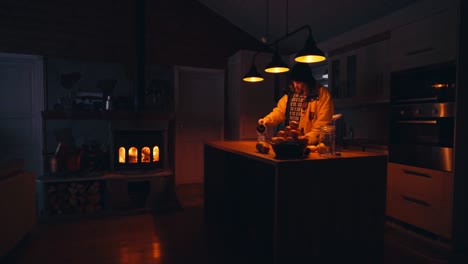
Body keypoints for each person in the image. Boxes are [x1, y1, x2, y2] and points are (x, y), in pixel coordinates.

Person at [258, 62, 335, 145]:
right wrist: (266, 120)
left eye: (299, 82)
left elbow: (323, 123)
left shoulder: (322, 94)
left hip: (312, 145)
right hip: (290, 142)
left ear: (308, 82)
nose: (295, 85)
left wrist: (306, 140)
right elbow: (279, 112)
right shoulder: (290, 94)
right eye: (294, 82)